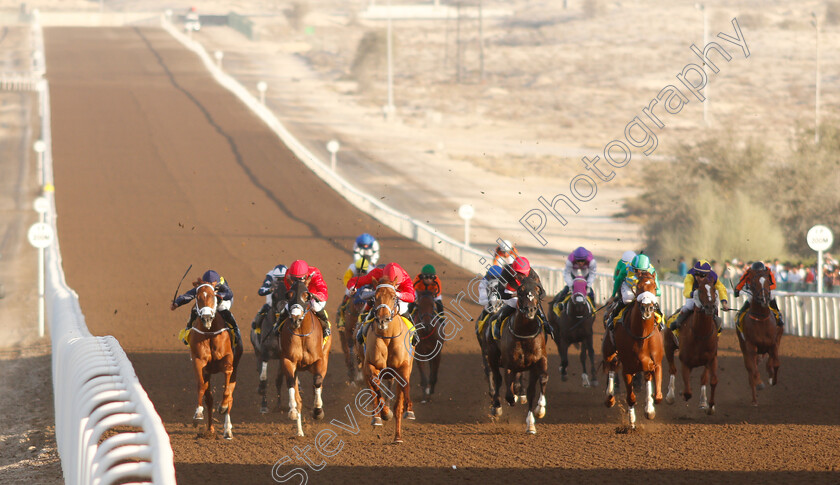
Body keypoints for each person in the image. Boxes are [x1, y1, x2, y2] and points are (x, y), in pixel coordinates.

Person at [348, 262, 417, 346]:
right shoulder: (377, 273)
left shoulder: (405, 278)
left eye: (396, 284)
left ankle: (414, 333)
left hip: (398, 298)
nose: (394, 286)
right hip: (382, 298)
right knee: (372, 309)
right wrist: (352, 287)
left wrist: (397, 294)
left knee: (403, 309)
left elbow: (411, 297)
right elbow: (355, 281)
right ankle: (361, 330)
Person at [172, 269, 240, 348]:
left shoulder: (222, 284)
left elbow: (229, 294)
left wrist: (216, 294)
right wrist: (177, 303)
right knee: (194, 309)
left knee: (222, 309)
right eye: (207, 284)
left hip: (223, 299)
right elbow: (188, 295)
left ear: (215, 283)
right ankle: (188, 329)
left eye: (211, 284)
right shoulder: (203, 286)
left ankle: (235, 329)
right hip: (208, 300)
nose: (209, 286)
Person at [490, 256, 550, 338]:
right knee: (514, 304)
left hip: (526, 293)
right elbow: (500, 293)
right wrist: (513, 295)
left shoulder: (532, 275)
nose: (521, 277)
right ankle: (498, 322)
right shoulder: (506, 271)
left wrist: (535, 298)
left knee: (533, 306)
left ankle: (544, 322)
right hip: (511, 292)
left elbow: (543, 293)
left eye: (523, 274)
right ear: (513, 270)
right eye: (518, 273)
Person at [273, 260, 332, 340]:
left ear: (306, 275)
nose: (297, 282)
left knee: (315, 306)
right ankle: (278, 324)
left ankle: (325, 326)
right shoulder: (288, 275)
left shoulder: (315, 274)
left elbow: (323, 292)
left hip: (313, 296)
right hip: (298, 297)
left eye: (300, 279)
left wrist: (313, 295)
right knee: (286, 307)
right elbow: (289, 289)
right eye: (294, 279)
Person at [668, 260, 729, 334]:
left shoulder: (713, 276)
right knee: (689, 306)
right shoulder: (690, 275)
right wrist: (694, 294)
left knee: (713, 305)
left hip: (707, 296)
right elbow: (687, 290)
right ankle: (678, 321)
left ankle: (716, 323)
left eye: (702, 275)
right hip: (694, 294)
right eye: (696, 274)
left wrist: (724, 302)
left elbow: (721, 288)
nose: (698, 277)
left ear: (707, 275)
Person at [606, 253, 662, 330]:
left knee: (653, 301)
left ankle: (661, 322)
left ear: (647, 270)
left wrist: (650, 294)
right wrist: (613, 295)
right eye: (635, 270)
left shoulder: (652, 271)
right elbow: (618, 280)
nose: (638, 273)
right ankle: (612, 318)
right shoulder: (626, 268)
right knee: (627, 298)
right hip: (629, 286)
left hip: (644, 289)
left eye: (642, 271)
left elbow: (658, 291)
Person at [733, 261, 784, 327]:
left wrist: (764, 288)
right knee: (750, 299)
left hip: (765, 288)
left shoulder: (768, 271)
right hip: (753, 288)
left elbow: (774, 285)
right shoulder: (749, 272)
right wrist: (737, 290)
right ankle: (740, 314)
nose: (758, 274)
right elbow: (742, 281)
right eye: (756, 272)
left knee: (771, 296)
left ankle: (778, 315)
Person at [553, 246, 597, 311]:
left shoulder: (592, 261)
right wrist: (571, 285)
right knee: (567, 288)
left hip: (586, 270)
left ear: (586, 259)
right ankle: (557, 303)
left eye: (582, 261)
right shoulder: (570, 261)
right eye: (578, 261)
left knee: (590, 291)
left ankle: (593, 307)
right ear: (575, 259)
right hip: (573, 269)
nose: (580, 263)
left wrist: (588, 285)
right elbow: (567, 273)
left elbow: (592, 274)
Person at [336, 257, 372, 331]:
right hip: (353, 284)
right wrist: (350, 288)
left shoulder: (371, 270)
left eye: (363, 271)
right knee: (347, 296)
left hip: (365, 285)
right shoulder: (352, 268)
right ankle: (342, 318)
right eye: (358, 270)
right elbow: (346, 278)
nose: (360, 272)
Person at [251, 264, 287, 333]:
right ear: (274, 277)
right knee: (268, 305)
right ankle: (257, 323)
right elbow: (261, 291)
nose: (281, 281)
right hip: (273, 296)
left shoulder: (290, 275)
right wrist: (270, 289)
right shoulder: (270, 276)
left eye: (282, 278)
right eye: (278, 279)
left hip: (285, 297)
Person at [475, 265, 504, 334]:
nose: (495, 281)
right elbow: (482, 301)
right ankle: (480, 333)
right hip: (490, 307)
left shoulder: (506, 282)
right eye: (493, 278)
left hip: (504, 305)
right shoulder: (483, 284)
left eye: (497, 278)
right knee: (480, 326)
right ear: (488, 277)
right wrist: (492, 301)